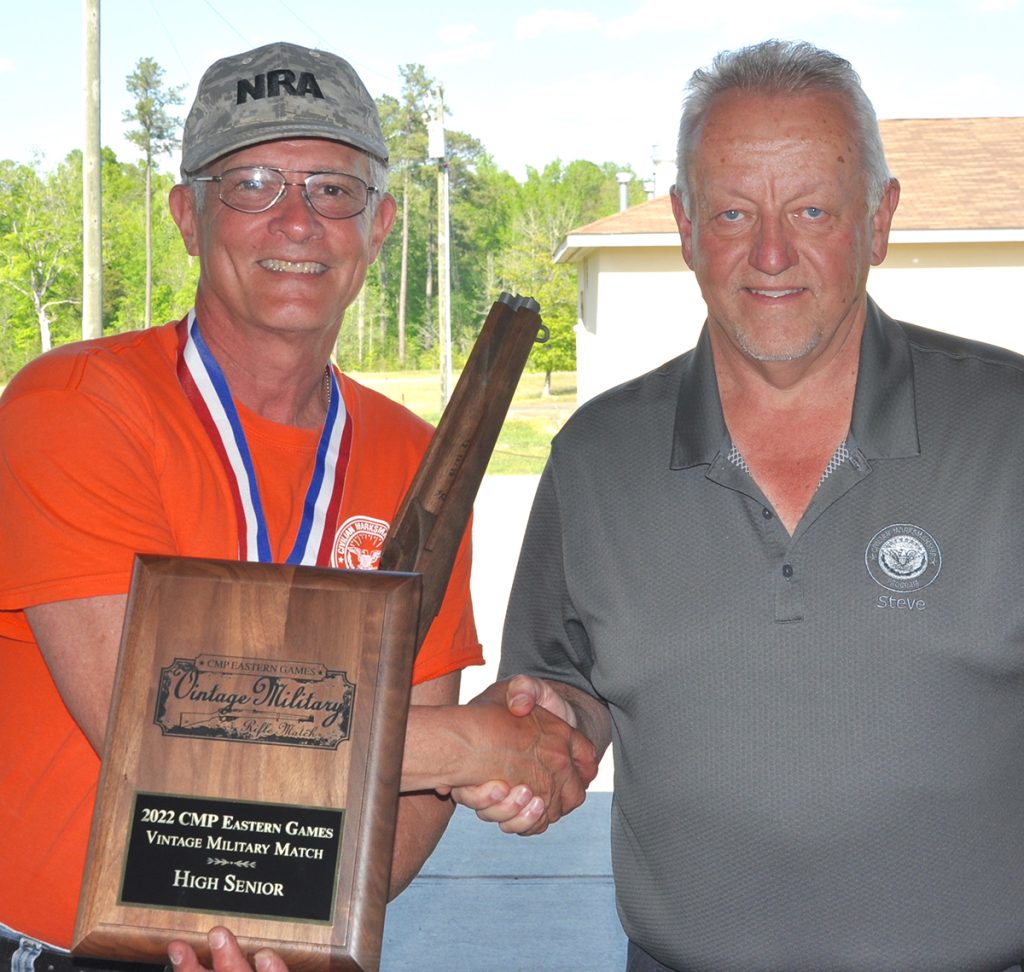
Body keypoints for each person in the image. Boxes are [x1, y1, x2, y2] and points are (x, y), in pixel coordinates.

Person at [0, 41, 595, 972]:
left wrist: (302, 943)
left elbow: (399, 817)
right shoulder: (74, 409)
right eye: (253, 183)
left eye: (333, 188)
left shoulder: (416, 460)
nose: (298, 220)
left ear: (381, 223)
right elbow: (156, 732)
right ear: (188, 217)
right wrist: (478, 745)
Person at [483, 38, 1024, 972]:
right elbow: (562, 693)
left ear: (879, 219)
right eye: (734, 212)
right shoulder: (596, 458)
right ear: (688, 226)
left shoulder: (1009, 428)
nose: (771, 253)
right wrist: (536, 746)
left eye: (812, 208)